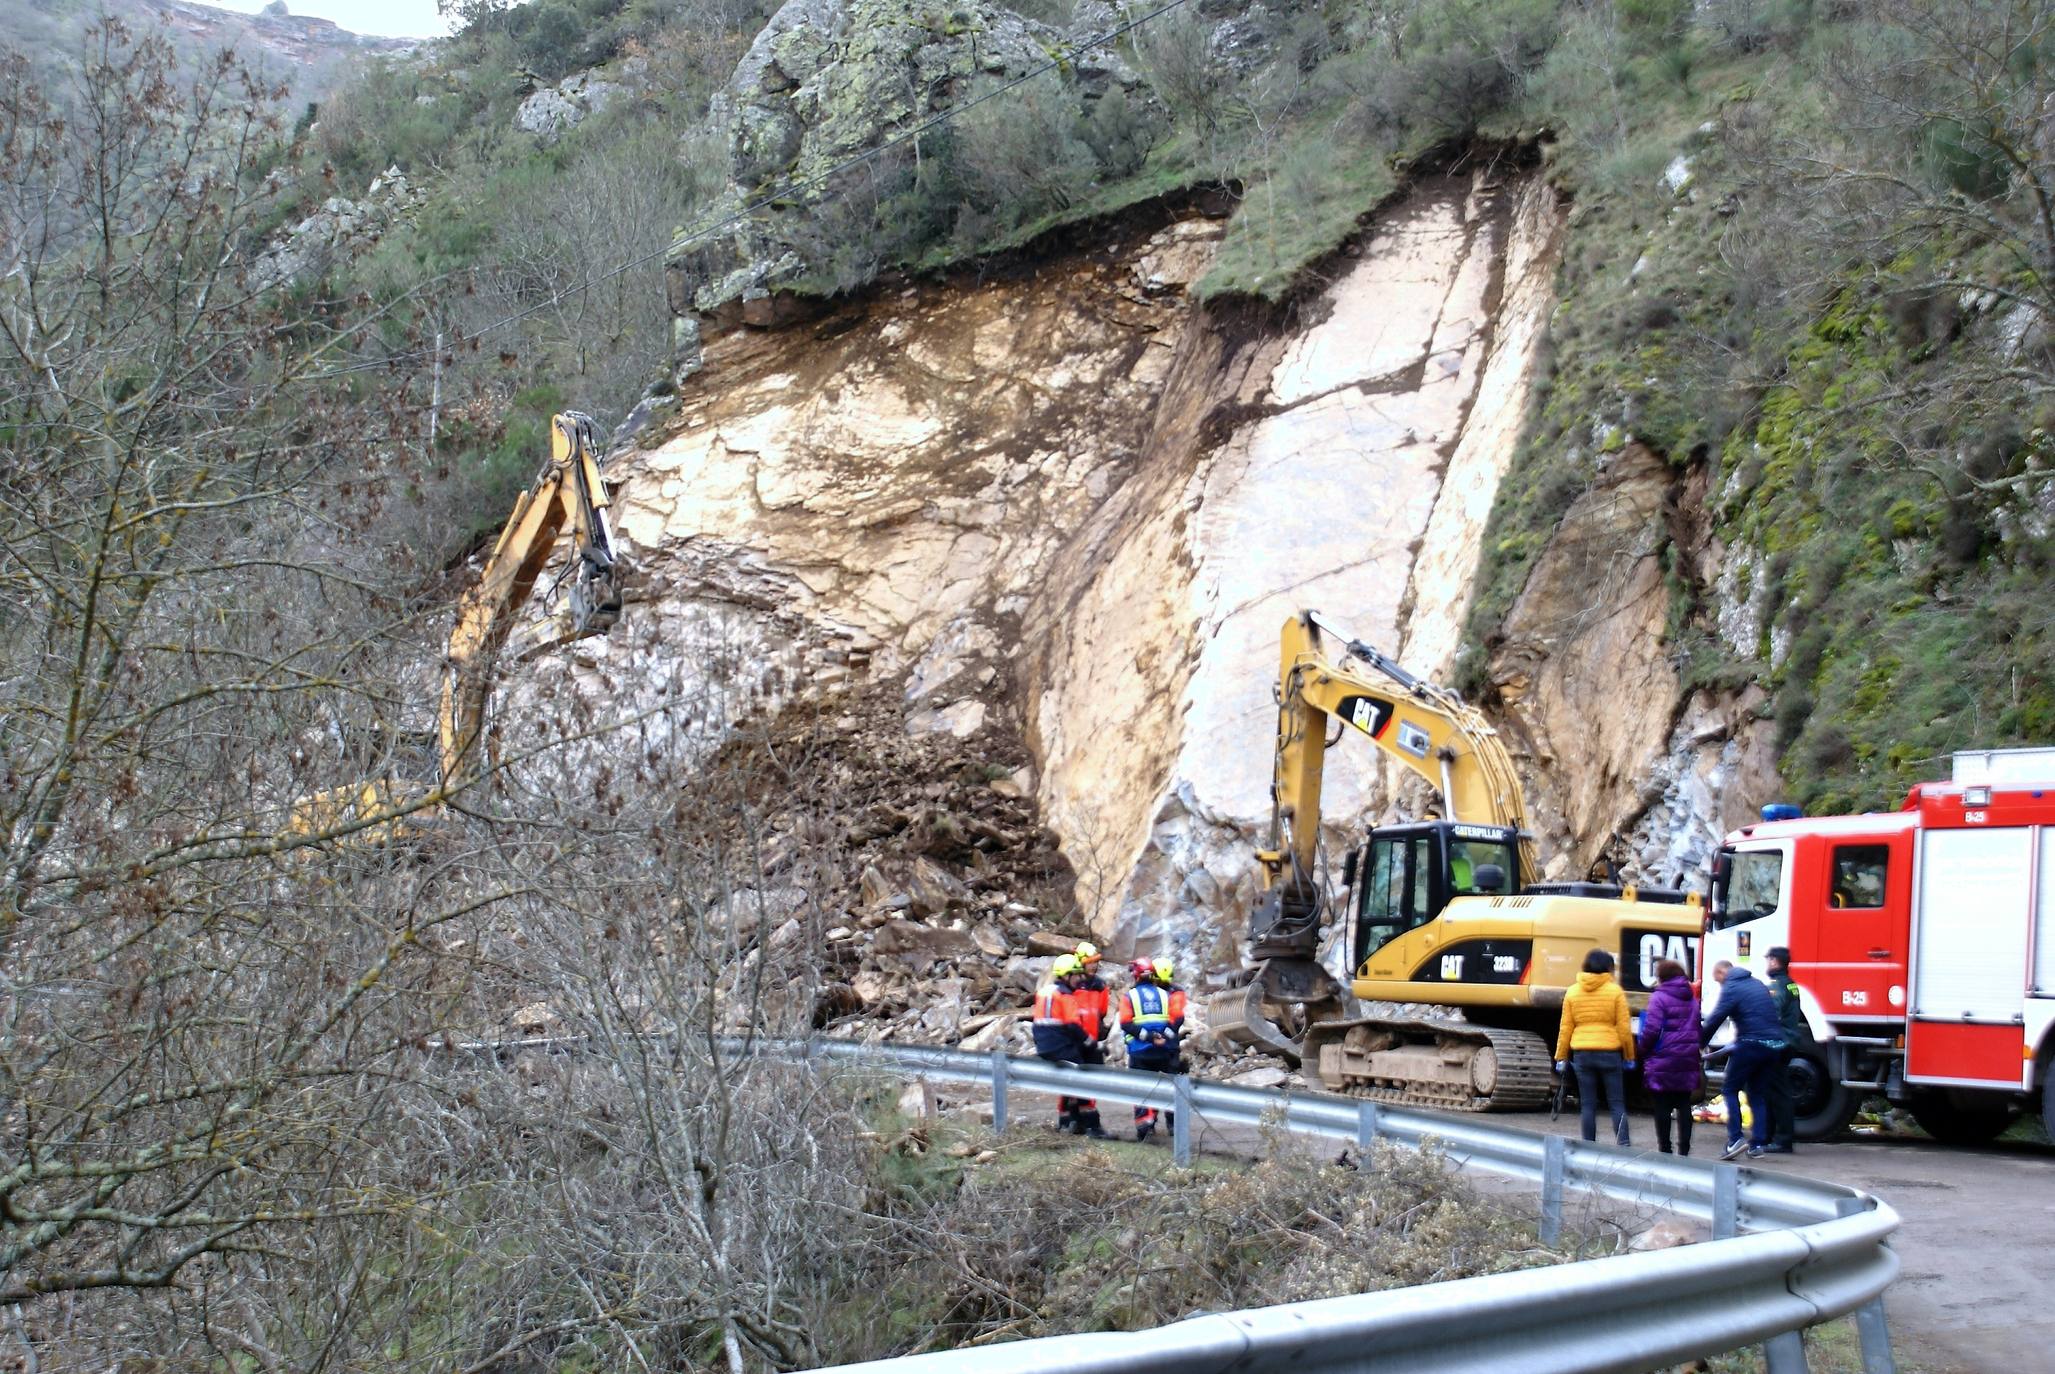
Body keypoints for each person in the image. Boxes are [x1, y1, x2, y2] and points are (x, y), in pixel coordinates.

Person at [1700, 959, 1785, 1160]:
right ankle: (1757, 1145)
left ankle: (1735, 1139)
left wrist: (1699, 1042)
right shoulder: (1756, 983)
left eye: (1718, 980)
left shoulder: (1732, 986)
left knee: (1730, 1089)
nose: (1719, 984)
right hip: (1774, 1045)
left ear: (1722, 972)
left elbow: (1716, 1018)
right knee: (1757, 1093)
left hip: (1750, 1043)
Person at [1554, 949, 1636, 1147]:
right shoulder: (1615, 991)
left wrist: (1561, 1056)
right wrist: (1629, 1054)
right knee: (1616, 1103)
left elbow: (1565, 1028)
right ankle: (1623, 1144)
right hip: (1610, 1052)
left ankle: (1588, 1146)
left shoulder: (1573, 991)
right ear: (1608, 968)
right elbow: (1624, 1028)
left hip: (1582, 1053)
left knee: (1588, 1104)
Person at [1032, 955, 1108, 1137]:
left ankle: (1067, 1122)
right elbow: (1073, 1026)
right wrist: (1092, 1044)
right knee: (1082, 1078)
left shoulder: (1045, 991)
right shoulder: (1066, 995)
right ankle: (1092, 1125)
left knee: (1068, 1081)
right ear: (1067, 975)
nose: (1079, 979)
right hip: (1060, 1043)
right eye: (1076, 975)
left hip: (1044, 1044)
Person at [1636, 958, 1702, 1156]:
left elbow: (1652, 1029)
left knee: (1662, 1105)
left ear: (1661, 977)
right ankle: (1685, 1149)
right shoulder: (1691, 997)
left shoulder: (1659, 997)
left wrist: (1643, 1050)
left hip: (1663, 1056)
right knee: (1683, 1103)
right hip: (1687, 1057)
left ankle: (1665, 1148)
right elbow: (1698, 1027)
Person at [1120, 958, 1188, 1141]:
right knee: (1168, 1086)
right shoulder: (1166, 995)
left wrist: (1148, 1037)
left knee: (1142, 1088)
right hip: (1164, 1049)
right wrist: (1161, 1037)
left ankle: (1145, 1128)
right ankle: (1172, 1124)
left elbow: (1125, 1023)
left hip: (1139, 1050)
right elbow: (1176, 1019)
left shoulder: (1129, 996)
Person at [1762, 946, 1810, 1154]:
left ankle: (1782, 1140)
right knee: (1776, 1091)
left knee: (1777, 1093)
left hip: (1777, 1044)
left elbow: (1773, 1014)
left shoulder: (1777, 986)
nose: (1767, 964)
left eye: (1768, 960)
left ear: (1774, 962)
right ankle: (1774, 1137)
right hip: (1788, 1042)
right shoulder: (1791, 984)